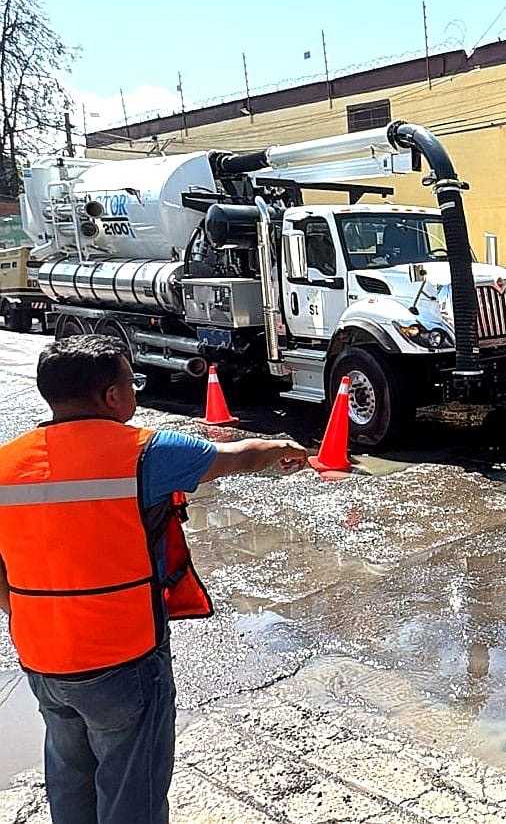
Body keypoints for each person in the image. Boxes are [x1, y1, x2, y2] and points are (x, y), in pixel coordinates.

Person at [0, 334, 309, 824]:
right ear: (110, 396)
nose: (136, 393)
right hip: (123, 656)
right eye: (131, 381)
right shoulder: (145, 452)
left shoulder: (5, 465)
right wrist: (282, 447)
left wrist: (23, 609)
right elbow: (237, 457)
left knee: (69, 781)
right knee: (131, 794)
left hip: (43, 658)